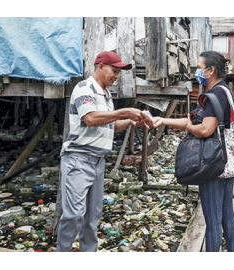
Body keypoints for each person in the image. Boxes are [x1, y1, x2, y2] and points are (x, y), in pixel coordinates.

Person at [56, 51, 149, 252]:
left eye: (118, 72)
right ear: (100, 66)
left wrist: (131, 121)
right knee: (73, 215)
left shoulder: (106, 94)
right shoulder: (84, 88)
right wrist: (124, 111)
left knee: (92, 217)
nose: (116, 76)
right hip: (79, 159)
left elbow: (110, 126)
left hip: (98, 161)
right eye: (114, 70)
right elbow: (90, 118)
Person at [150, 51, 234, 252]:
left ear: (211, 70)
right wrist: (164, 120)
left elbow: (204, 129)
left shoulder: (213, 95)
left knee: (213, 221)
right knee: (227, 214)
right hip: (225, 158)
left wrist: (190, 129)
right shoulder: (224, 91)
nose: (197, 72)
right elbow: (194, 121)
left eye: (199, 68)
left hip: (212, 162)